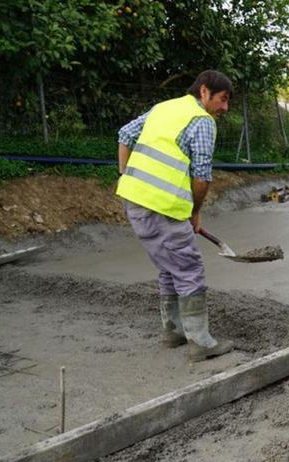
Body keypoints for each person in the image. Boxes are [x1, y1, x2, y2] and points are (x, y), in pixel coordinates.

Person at [116, 70, 233, 363]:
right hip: (163, 208)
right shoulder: (202, 121)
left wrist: (126, 174)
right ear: (204, 92)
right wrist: (195, 212)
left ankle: (173, 332)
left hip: (134, 202)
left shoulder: (164, 107)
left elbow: (124, 134)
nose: (224, 108)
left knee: (169, 267)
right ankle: (200, 343)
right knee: (190, 270)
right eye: (222, 100)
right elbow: (202, 176)